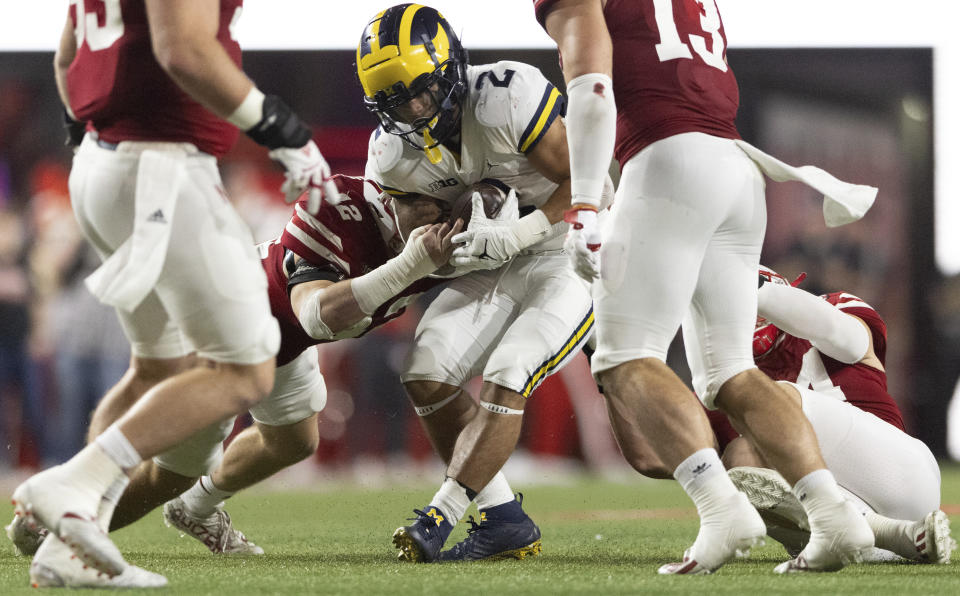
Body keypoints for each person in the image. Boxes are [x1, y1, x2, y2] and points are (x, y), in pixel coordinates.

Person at [533, 0, 879, 574]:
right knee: (730, 372)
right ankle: (833, 514)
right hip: (736, 169)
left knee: (624, 358)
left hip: (668, 162)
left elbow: (592, 86)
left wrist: (587, 204)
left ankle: (722, 511)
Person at [9, 0, 338, 588]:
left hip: (106, 160)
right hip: (159, 168)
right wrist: (280, 129)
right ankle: (67, 487)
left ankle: (69, 542)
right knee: (246, 371)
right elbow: (183, 49)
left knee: (156, 369)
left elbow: (68, 54)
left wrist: (88, 132)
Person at [9, 175, 460, 585]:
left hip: (285, 340)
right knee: (170, 474)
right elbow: (316, 316)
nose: (439, 215)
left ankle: (196, 508)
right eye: (430, 203)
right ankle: (61, 523)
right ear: (394, 190)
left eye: (444, 205)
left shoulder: (441, 234)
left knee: (294, 441)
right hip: (238, 317)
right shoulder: (338, 203)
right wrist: (408, 266)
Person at [358, 3, 608, 563]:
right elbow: (420, 251)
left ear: (449, 67)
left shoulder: (506, 97)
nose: (414, 111)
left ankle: (441, 512)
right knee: (424, 370)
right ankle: (503, 520)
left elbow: (590, 183)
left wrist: (518, 232)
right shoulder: (392, 154)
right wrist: (442, 249)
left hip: (563, 252)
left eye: (420, 91)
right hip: (488, 267)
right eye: (394, 103)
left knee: (515, 372)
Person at [703, 268, 955, 564]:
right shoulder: (720, 383)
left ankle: (878, 531)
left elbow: (841, 336)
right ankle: (891, 536)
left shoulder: (836, 309)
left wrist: (747, 285)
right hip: (855, 530)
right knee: (738, 460)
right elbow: (659, 457)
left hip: (900, 477)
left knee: (769, 399)